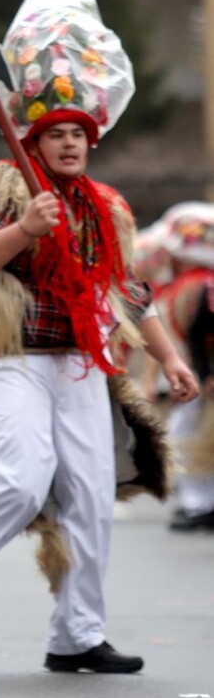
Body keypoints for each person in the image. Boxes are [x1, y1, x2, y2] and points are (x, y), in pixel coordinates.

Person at [0, 0, 197, 674]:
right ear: (36, 138)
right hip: (12, 358)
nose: (70, 144)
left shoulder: (105, 206)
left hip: (81, 364)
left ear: (91, 141)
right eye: (57, 134)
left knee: (91, 497)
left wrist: (172, 356)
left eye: (79, 134)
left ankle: (77, 635)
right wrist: (24, 229)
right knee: (18, 479)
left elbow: (128, 292)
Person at [153, 204, 214, 531]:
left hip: (197, 374)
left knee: (190, 436)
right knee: (189, 435)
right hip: (200, 374)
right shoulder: (203, 287)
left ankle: (201, 502)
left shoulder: (195, 285)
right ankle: (199, 502)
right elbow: (194, 333)